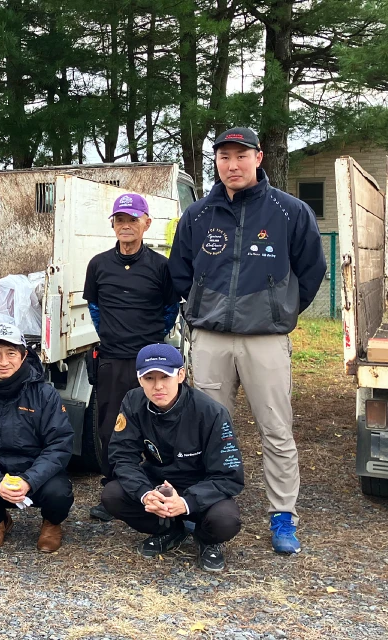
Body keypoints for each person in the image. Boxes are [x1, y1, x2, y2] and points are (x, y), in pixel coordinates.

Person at [168, 127, 326, 554]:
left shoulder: (290, 211)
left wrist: (279, 309)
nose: (232, 165)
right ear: (215, 163)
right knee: (206, 430)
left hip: (265, 340)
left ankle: (283, 516)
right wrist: (200, 309)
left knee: (276, 429)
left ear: (259, 158)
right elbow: (180, 271)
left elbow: (311, 271)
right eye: (223, 157)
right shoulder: (198, 215)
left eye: (240, 156)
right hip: (211, 338)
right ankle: (209, 507)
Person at [102, 344, 244, 572]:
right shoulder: (133, 402)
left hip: (202, 488)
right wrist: (146, 494)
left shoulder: (212, 412)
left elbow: (229, 477)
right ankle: (169, 531)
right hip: (159, 485)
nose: (157, 386)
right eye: (149, 378)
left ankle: (206, 539)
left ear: (181, 375)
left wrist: (187, 502)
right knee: (112, 495)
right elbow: (122, 456)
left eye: (165, 377)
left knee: (225, 521)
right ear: (139, 380)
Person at [83, 193, 179, 522]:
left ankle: (163, 488)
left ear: (146, 224)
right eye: (120, 219)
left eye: (133, 219)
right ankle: (115, 489)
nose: (126, 225)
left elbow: (170, 312)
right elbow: (95, 310)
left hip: (152, 362)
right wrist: (114, 336)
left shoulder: (160, 266)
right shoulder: (98, 265)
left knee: (158, 425)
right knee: (110, 428)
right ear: (113, 224)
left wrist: (148, 342)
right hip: (112, 359)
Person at [0, 323, 75, 552]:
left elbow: (59, 444)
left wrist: (29, 480)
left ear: (24, 356)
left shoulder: (45, 394)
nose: (3, 361)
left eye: (11, 353)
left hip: (36, 474)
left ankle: (51, 525)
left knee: (59, 493)